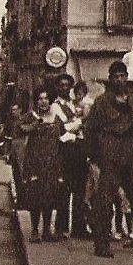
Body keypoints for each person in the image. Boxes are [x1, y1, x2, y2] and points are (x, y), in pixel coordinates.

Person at [84, 60, 133, 258]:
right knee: (105, 201)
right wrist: (94, 156)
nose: (120, 80)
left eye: (123, 76)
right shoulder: (101, 102)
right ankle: (102, 244)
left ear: (127, 78)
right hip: (110, 152)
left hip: (129, 153)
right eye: (116, 77)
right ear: (110, 79)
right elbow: (90, 129)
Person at [20, 88, 64, 243]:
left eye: (46, 98)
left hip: (52, 163)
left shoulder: (56, 119)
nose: (43, 101)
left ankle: (46, 230)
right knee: (35, 197)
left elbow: (63, 136)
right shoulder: (30, 116)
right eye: (40, 98)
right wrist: (35, 124)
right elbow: (21, 129)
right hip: (35, 163)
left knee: (49, 198)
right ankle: (34, 230)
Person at [51, 73, 90, 239]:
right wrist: (80, 122)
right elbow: (64, 127)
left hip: (79, 149)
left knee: (80, 189)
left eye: (67, 85)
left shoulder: (75, 105)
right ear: (57, 87)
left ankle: (79, 226)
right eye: (61, 85)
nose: (64, 88)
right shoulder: (55, 106)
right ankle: (61, 227)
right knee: (64, 189)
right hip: (65, 150)